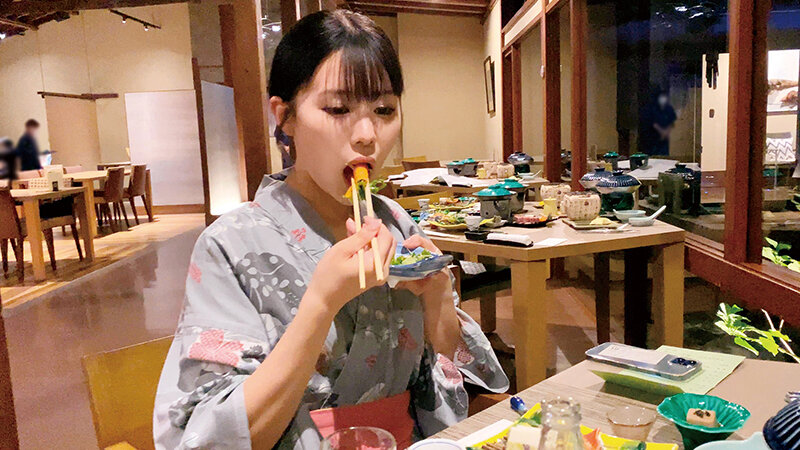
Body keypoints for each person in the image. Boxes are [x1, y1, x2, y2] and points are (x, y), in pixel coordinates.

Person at [154, 10, 508, 450]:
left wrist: (437, 299)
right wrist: (320, 304)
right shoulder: (228, 245)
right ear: (284, 116)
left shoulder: (398, 224)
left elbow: (462, 378)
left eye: (384, 110)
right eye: (338, 109)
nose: (367, 135)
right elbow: (207, 437)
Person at [639, 89, 677, 157]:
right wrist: (661, 131)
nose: (663, 99)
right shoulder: (651, 108)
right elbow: (652, 122)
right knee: (652, 156)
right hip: (652, 137)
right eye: (661, 97)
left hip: (664, 139)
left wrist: (666, 132)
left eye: (665, 97)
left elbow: (671, 122)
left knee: (664, 156)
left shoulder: (668, 108)